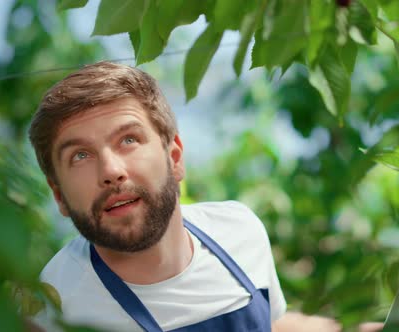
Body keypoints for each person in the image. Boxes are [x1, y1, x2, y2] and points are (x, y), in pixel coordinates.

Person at [28, 61, 347, 332]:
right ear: (59, 195)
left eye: (128, 139)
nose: (111, 170)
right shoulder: (53, 304)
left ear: (175, 158)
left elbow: (273, 323)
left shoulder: (240, 231)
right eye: (80, 156)